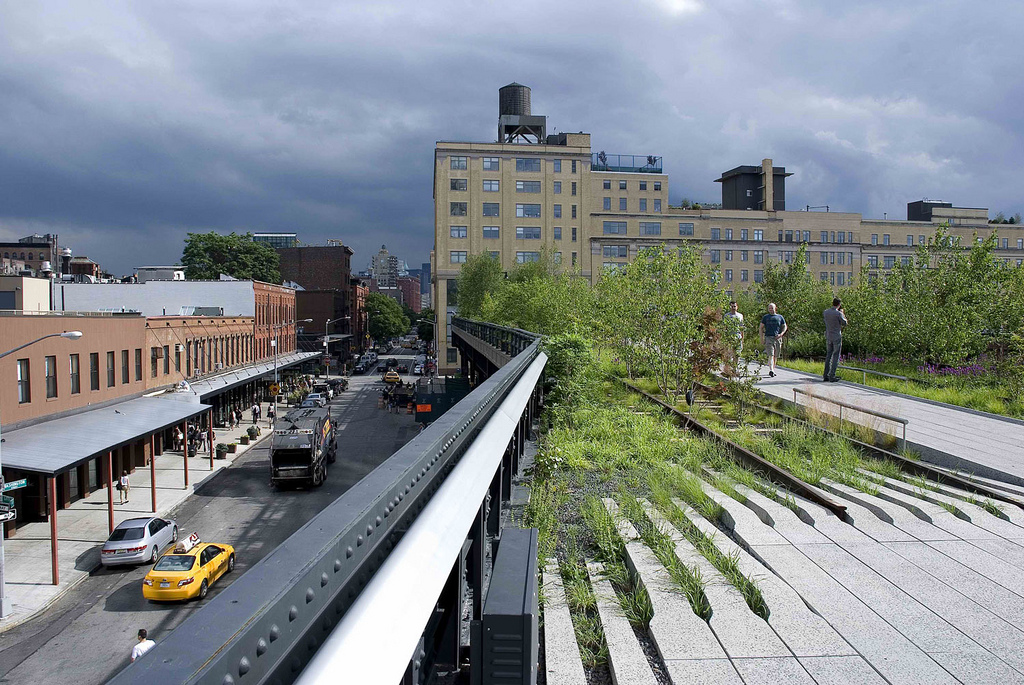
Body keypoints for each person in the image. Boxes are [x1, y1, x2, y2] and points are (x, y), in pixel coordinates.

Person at [823, 297, 849, 382]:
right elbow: (845, 323)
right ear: (839, 304)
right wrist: (842, 314)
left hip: (828, 335)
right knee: (835, 356)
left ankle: (825, 375)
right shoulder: (838, 314)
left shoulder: (826, 312)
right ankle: (832, 376)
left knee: (828, 355)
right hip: (836, 336)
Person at [758, 303, 788, 377]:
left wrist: (781, 334)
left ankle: (773, 369)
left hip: (777, 338)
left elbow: (784, 326)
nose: (770, 309)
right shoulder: (766, 317)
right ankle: (771, 370)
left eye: (772, 308)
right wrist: (761, 338)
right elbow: (761, 327)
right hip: (768, 337)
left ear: (775, 308)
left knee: (776, 355)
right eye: (769, 308)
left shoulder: (780, 317)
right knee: (771, 354)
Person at [723, 301, 744, 376]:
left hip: (738, 337)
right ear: (730, 307)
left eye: (734, 306)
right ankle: (727, 370)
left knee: (737, 354)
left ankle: (735, 369)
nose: (733, 308)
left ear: (737, 307)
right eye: (732, 306)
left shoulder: (740, 316)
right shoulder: (727, 316)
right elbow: (724, 327)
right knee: (729, 354)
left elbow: (742, 328)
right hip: (729, 337)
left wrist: (742, 338)